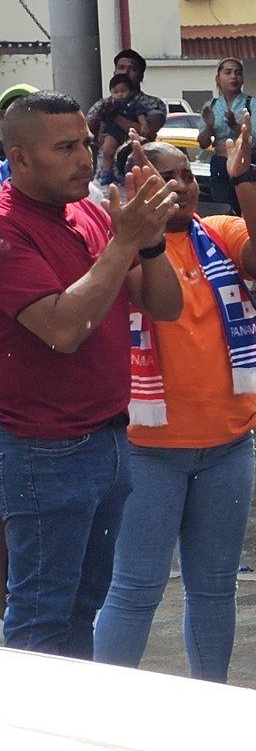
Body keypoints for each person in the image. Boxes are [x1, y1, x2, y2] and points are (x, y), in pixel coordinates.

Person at [94, 125, 256, 683]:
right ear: (137, 185)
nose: (182, 185)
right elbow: (156, 299)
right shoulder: (119, 246)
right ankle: (102, 712)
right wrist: (145, 231)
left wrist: (245, 178)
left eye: (187, 175)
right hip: (147, 451)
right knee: (135, 589)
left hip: (229, 445)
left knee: (214, 589)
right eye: (165, 176)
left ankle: (212, 703)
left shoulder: (220, 231)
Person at [0, 91, 181, 656]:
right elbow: (63, 329)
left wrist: (151, 241)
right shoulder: (7, 226)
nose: (84, 158)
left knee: (84, 604)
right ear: (19, 158)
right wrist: (126, 240)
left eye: (84, 142)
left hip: (108, 436)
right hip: (43, 448)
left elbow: (165, 306)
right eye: (64, 148)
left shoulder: (89, 211)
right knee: (41, 614)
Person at [196, 57, 256, 208]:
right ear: (218, 78)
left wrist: (234, 125)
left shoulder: (253, 103)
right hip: (220, 164)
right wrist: (209, 126)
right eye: (228, 72)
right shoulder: (211, 105)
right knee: (224, 209)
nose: (234, 77)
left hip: (248, 163)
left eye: (238, 73)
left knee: (252, 209)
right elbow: (203, 143)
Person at [107, 49, 168, 138]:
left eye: (133, 69)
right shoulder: (104, 104)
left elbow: (148, 132)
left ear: (141, 76)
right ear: (114, 73)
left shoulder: (153, 103)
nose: (125, 72)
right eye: (121, 68)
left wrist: (115, 117)